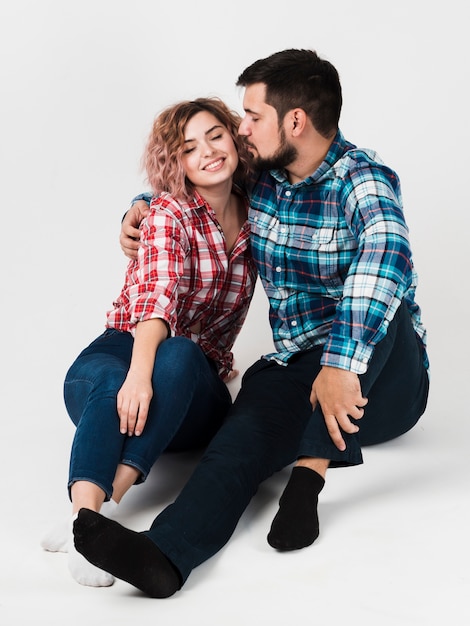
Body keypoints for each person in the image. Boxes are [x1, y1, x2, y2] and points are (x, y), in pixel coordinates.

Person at [72, 48, 429, 598]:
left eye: (252, 116)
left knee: (385, 303)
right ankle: (167, 553)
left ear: (295, 122)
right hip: (297, 367)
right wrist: (138, 208)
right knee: (234, 447)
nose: (242, 128)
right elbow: (196, 187)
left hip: (384, 384)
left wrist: (340, 363)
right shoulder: (261, 175)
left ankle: (307, 480)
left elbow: (387, 258)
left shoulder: (365, 180)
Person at [41, 97, 257, 588]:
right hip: (122, 349)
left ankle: (94, 518)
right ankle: (86, 520)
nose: (207, 152)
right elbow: (156, 300)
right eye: (189, 148)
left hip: (190, 389)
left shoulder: (259, 209)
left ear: (234, 137)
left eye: (216, 136)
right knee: (116, 374)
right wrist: (140, 375)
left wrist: (150, 375)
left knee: (180, 352)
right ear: (174, 163)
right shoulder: (167, 214)